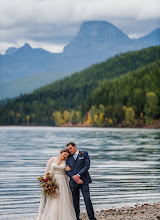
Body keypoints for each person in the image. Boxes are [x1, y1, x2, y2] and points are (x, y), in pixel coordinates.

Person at [36, 148, 77, 220]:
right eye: (64, 154)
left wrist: (70, 170)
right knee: (52, 197)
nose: (65, 156)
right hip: (53, 180)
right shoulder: (52, 159)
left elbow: (69, 172)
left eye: (67, 156)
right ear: (61, 152)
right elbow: (47, 170)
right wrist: (46, 181)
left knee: (62, 197)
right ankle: (51, 216)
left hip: (62, 181)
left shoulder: (67, 162)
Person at [66, 142, 96, 220]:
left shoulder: (84, 154)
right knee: (75, 202)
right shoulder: (68, 158)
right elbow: (67, 170)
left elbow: (86, 166)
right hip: (73, 182)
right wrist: (74, 177)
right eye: (68, 149)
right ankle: (76, 218)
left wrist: (78, 175)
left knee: (87, 199)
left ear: (75, 146)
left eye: (70, 148)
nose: (69, 150)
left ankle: (92, 218)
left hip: (84, 181)